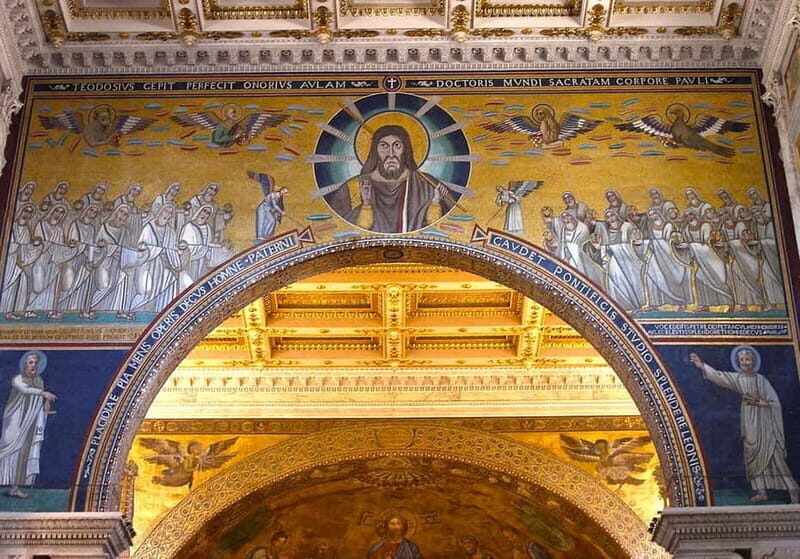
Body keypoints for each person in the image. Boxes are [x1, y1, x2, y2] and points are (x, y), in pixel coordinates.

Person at [689, 347, 799, 504]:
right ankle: (761, 491)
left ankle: (792, 489)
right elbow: (721, 377)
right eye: (742, 360)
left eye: (747, 360)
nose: (745, 363)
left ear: (753, 362)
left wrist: (761, 403)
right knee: (751, 453)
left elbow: (774, 402)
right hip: (749, 422)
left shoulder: (761, 380)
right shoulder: (738, 378)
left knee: (774, 455)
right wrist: (702, 366)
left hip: (766, 423)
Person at [326, 125, 453, 234]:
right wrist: (366, 205)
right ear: (375, 151)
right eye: (384, 146)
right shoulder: (354, 187)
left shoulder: (427, 184)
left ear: (405, 150)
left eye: (397, 146)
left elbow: (440, 228)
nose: (391, 153)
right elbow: (339, 229)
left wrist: (436, 202)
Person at [0, 351, 57, 498]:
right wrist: (43, 393)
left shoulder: (38, 381)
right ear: (24, 364)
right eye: (31, 362)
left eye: (36, 363)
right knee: (8, 450)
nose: (34, 366)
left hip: (29, 423)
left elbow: (37, 402)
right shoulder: (17, 379)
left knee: (23, 453)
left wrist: (44, 408)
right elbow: (25, 390)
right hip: (14, 422)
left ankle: (15, 487)